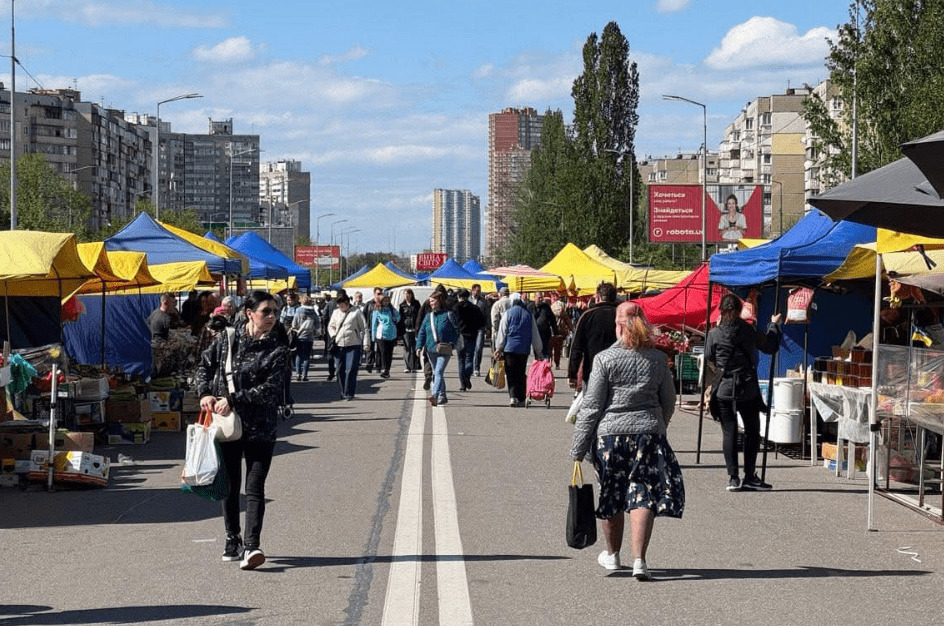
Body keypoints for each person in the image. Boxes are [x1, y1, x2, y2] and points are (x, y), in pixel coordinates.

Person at [570, 301, 683, 579]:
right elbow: (669, 401)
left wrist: (578, 447)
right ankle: (640, 561)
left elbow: (593, 407)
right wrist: (659, 425)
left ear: (618, 325)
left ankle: (612, 555)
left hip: (610, 437)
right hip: (648, 434)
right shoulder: (657, 359)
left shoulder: (605, 360)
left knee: (612, 493)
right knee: (643, 494)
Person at [194, 291, 291, 571]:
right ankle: (231, 537)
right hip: (227, 426)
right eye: (266, 311)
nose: (272, 317)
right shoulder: (227, 339)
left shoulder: (278, 348)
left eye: (275, 312)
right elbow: (204, 365)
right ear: (250, 312)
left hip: (261, 426)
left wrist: (233, 399)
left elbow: (271, 390)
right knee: (231, 485)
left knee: (255, 486)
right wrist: (205, 394)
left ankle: (252, 545)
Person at [706, 293, 782, 492]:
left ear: (721, 311)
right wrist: (773, 325)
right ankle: (750, 475)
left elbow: (708, 356)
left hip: (723, 388)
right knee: (752, 432)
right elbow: (770, 346)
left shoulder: (714, 334)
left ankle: (733, 477)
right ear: (740, 311)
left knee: (729, 432)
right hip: (747, 388)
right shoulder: (749, 330)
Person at [493, 293, 543, 407]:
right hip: (524, 349)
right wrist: (538, 350)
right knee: (521, 373)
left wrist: (498, 348)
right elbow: (535, 334)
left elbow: (502, 331)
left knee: (510, 373)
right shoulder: (528, 315)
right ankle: (521, 397)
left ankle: (513, 396)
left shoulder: (508, 313)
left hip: (509, 348)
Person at [568, 282, 619, 391]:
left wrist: (572, 374)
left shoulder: (587, 316)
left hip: (592, 370)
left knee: (591, 404)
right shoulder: (620, 315)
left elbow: (577, 347)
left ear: (598, 297)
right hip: (617, 371)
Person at [416, 291, 460, 406]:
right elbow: (422, 332)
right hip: (431, 348)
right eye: (430, 301)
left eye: (432, 301)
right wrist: (419, 346)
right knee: (437, 372)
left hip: (445, 348)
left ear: (439, 301)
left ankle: (435, 395)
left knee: (439, 371)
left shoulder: (449, 314)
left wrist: (452, 343)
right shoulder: (428, 317)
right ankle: (442, 395)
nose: (430, 303)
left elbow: (456, 331)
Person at [327, 293, 369, 401]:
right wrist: (333, 335)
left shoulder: (356, 312)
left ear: (347, 303)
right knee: (339, 370)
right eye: (339, 306)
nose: (341, 308)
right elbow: (330, 326)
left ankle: (349, 393)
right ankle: (343, 391)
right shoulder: (336, 313)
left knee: (351, 370)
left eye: (342, 305)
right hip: (339, 345)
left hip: (353, 345)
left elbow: (364, 328)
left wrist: (366, 343)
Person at [454, 288, 487, 391]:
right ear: (468, 297)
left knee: (461, 360)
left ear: (459, 297)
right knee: (469, 358)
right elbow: (481, 322)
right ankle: (467, 375)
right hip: (471, 336)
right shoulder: (475, 308)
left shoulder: (455, 308)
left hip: (459, 336)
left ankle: (462, 384)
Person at [147, 292, 181, 378]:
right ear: (165, 302)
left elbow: (148, 323)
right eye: (172, 303)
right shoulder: (166, 318)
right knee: (161, 373)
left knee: (155, 371)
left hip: (153, 346)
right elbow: (173, 333)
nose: (174, 305)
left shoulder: (154, 313)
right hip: (162, 350)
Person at [290, 296, 321, 381]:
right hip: (309, 336)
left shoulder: (299, 310)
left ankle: (298, 374)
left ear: (302, 302)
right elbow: (317, 324)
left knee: (299, 355)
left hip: (300, 336)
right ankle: (305, 375)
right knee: (306, 356)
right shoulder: (312, 311)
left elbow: (294, 323)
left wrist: (295, 328)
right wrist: (315, 331)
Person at [370, 294, 400, 378]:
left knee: (389, 353)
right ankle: (383, 369)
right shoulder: (377, 311)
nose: (386, 302)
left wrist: (395, 319)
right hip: (381, 334)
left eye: (388, 301)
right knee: (383, 352)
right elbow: (374, 324)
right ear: (380, 301)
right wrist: (373, 337)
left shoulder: (391, 309)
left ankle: (387, 370)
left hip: (391, 334)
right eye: (385, 301)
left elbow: (398, 317)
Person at [469, 284, 491, 377]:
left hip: (480, 328)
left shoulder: (484, 302)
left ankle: (476, 368)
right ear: (472, 290)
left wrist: (488, 328)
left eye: (479, 291)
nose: (478, 293)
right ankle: (469, 367)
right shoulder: (467, 300)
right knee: (470, 349)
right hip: (469, 328)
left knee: (478, 348)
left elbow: (487, 315)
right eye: (476, 291)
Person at [398, 288, 421, 373]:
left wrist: (418, 326)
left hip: (415, 329)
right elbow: (400, 318)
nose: (407, 296)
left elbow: (419, 315)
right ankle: (407, 366)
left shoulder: (416, 304)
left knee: (414, 348)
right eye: (405, 294)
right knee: (407, 348)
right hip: (406, 329)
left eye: (408, 294)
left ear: (411, 295)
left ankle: (414, 365)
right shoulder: (402, 305)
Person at [532, 294, 558, 360]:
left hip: (545, 333)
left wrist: (555, 332)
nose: (540, 299)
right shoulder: (530, 307)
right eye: (539, 298)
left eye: (542, 298)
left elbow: (552, 319)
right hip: (535, 334)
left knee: (545, 352)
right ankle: (538, 365)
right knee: (537, 352)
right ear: (534, 298)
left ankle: (544, 367)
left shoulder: (546, 307)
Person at [549, 299, 574, 369]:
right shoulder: (564, 313)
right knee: (558, 350)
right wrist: (572, 330)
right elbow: (569, 323)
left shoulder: (550, 311)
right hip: (560, 334)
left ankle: (549, 362)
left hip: (551, 333)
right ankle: (557, 364)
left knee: (550, 349)